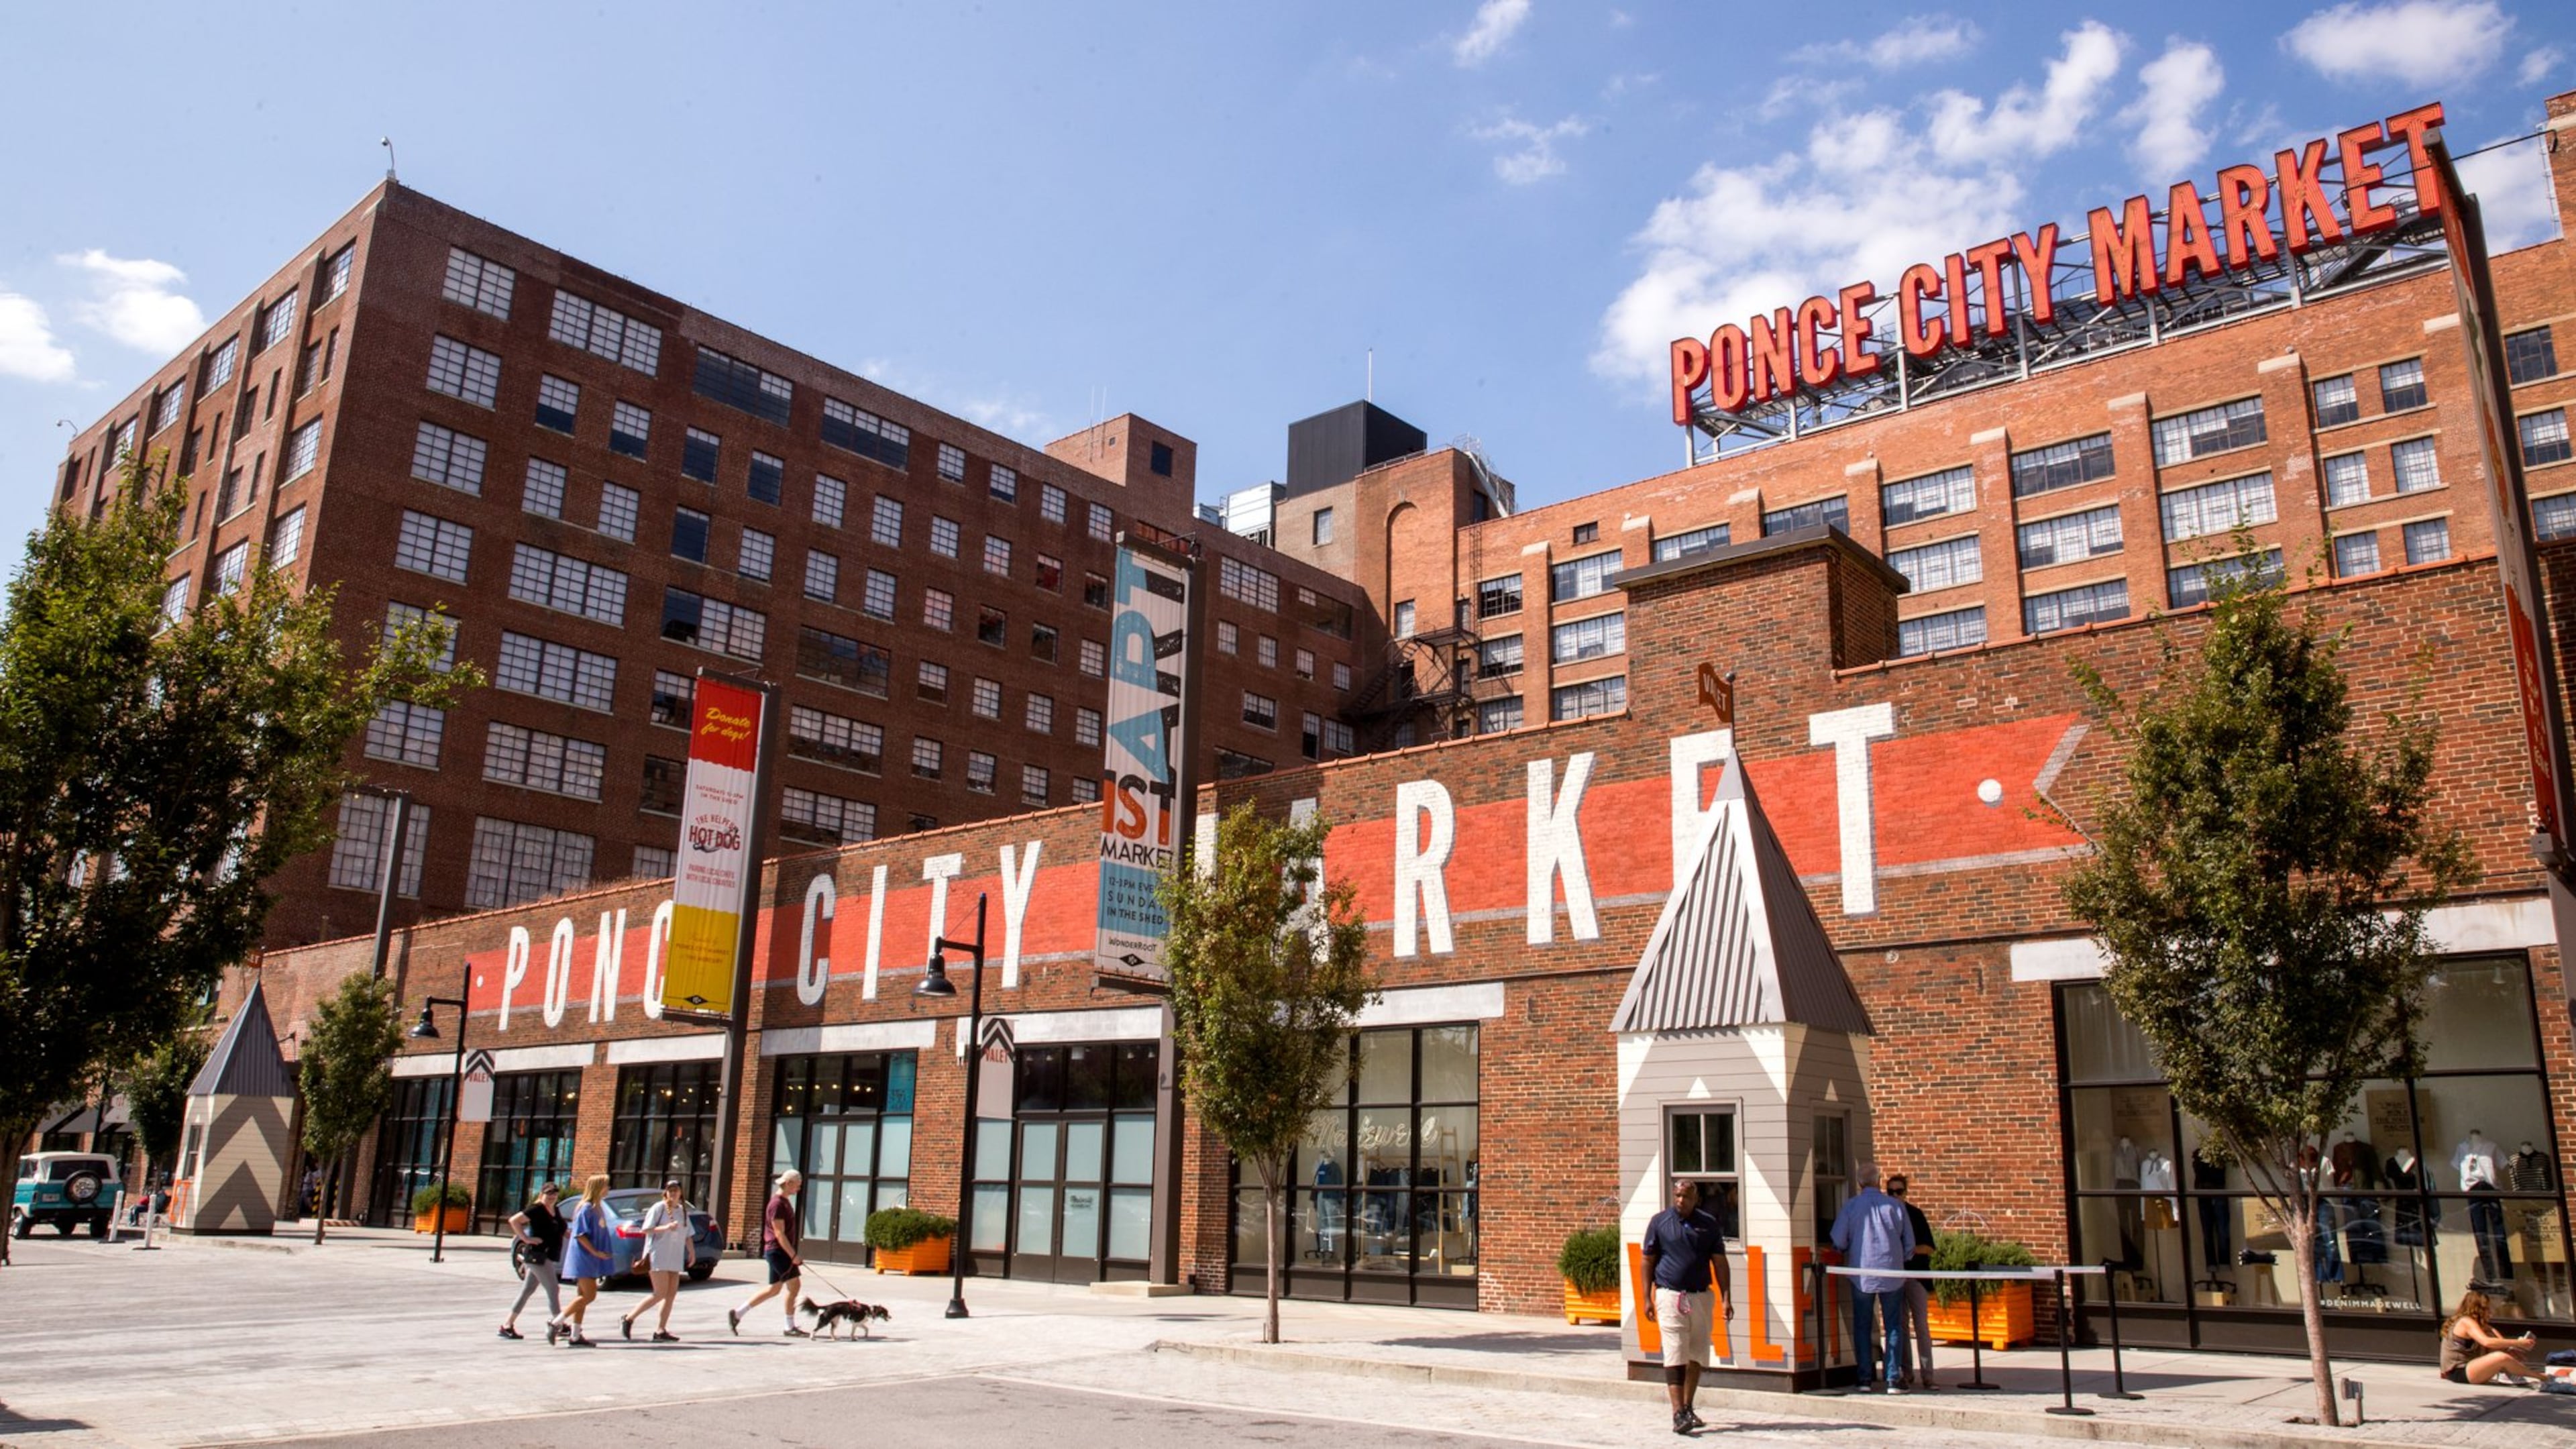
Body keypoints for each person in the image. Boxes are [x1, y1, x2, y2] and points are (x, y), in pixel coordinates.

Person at [1642, 1177, 1733, 1436]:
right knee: (1674, 1353)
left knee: (1696, 1355)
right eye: (1678, 1195)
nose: (1681, 1200)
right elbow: (1647, 1260)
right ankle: (1677, 1412)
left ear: (1697, 1199)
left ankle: (1688, 1406)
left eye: (1687, 1196)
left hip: (1700, 1297)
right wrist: (1647, 1297)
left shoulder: (1709, 1225)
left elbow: (1720, 1263)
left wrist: (1726, 1297)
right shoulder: (1660, 1223)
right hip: (1670, 1295)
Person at [1829, 1163, 1915, 1394]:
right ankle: (1892, 1378)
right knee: (1894, 1325)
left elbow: (1839, 1240)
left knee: (1862, 1325)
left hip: (1862, 1273)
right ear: (1879, 1182)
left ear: (1859, 1183)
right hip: (1892, 1273)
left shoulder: (1851, 1206)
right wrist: (1900, 1257)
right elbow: (1910, 1245)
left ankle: (1865, 1378)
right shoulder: (1896, 1206)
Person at [729, 1170, 808, 1338]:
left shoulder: (784, 1202)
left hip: (779, 1251)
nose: (799, 1188)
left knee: (774, 1289)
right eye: (797, 1185)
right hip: (779, 1251)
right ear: (788, 1183)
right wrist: (793, 1255)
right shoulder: (777, 1204)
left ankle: (737, 1314)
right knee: (795, 1286)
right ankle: (789, 1327)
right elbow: (779, 1233)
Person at [621, 1181, 696, 1342]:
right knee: (659, 1293)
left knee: (670, 1295)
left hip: (674, 1256)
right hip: (658, 1255)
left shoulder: (683, 1211)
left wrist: (692, 1253)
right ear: (666, 1192)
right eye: (671, 1190)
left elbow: (688, 1234)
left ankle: (661, 1330)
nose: (674, 1193)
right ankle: (629, 1318)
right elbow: (646, 1229)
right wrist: (666, 1228)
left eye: (676, 1190)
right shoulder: (658, 1208)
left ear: (681, 1193)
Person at [1886, 1173, 1937, 1390]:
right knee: (1900, 1326)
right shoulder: (1886, 1216)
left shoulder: (1915, 1215)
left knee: (1921, 1325)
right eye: (1891, 1192)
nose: (1896, 1195)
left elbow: (1930, 1247)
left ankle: (1928, 1375)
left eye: (1899, 1191)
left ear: (1906, 1192)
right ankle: (1906, 1373)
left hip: (1916, 1275)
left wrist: (1910, 1250)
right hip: (1897, 1276)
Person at [498, 1182, 566, 1342]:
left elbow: (559, 1228)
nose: (552, 1197)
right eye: (549, 1193)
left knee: (527, 1291)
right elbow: (514, 1220)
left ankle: (507, 1326)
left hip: (547, 1254)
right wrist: (526, 1239)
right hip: (537, 1256)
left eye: (555, 1194)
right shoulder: (536, 1209)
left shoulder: (554, 1209)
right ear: (542, 1194)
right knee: (553, 1289)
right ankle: (559, 1325)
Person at [557, 1175, 618, 1347]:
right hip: (583, 1257)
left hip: (592, 1257)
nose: (608, 1189)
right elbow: (580, 1235)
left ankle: (576, 1335)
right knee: (590, 1295)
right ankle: (556, 1322)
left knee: (582, 1297)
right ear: (598, 1188)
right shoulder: (586, 1209)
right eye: (606, 1186)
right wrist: (596, 1253)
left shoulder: (598, 1208)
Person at [2438, 1290, 2539, 1385]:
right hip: (2458, 1372)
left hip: (2469, 1369)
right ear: (2478, 1309)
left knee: (2500, 1348)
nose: (2490, 1312)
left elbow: (2499, 1342)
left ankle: (2507, 1373)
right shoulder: (2465, 1322)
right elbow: (2487, 1342)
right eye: (2487, 1308)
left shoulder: (2482, 1326)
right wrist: (2518, 1343)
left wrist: (2512, 1351)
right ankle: (2542, 1377)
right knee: (2500, 1357)